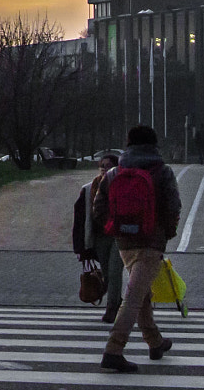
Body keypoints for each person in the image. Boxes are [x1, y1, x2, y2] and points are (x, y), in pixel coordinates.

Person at [97, 123, 183, 372]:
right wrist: (167, 232)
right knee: (134, 297)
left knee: (142, 292)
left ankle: (154, 342)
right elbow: (173, 205)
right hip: (150, 241)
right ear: (154, 145)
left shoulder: (114, 172)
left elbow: (98, 205)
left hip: (124, 241)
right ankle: (114, 349)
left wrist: (113, 227)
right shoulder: (162, 171)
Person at [72, 151, 124, 323]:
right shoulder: (89, 189)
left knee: (115, 271)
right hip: (100, 236)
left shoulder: (123, 186)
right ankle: (117, 301)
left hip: (119, 235)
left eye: (109, 166)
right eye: (102, 166)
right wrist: (80, 248)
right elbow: (80, 220)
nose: (104, 169)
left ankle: (112, 308)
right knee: (107, 273)